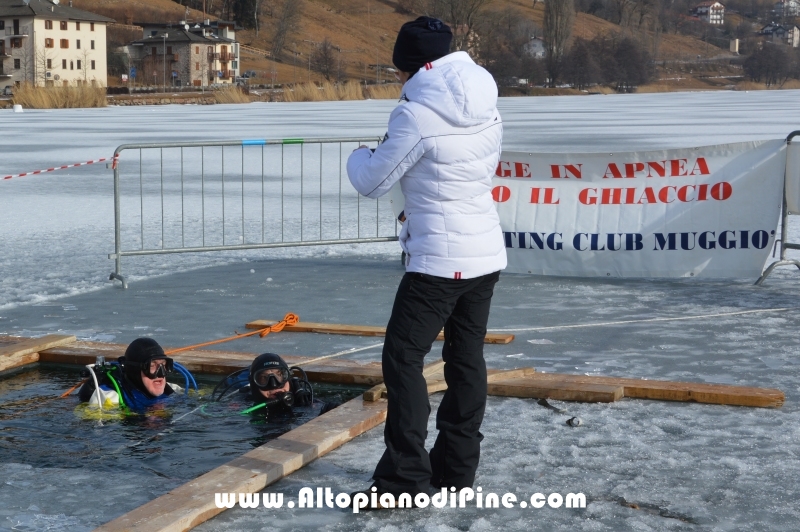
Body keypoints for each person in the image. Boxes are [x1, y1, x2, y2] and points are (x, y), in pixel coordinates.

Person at [346, 16, 506, 500]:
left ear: (410, 66)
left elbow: (373, 180)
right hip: (485, 252)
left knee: (402, 358)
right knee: (465, 359)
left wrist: (358, 153)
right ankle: (456, 470)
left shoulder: (415, 114)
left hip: (440, 260)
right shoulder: (486, 98)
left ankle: (404, 478)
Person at [211, 352, 339, 418]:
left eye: (279, 376)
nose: (274, 385)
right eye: (264, 379)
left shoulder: (303, 400)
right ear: (254, 384)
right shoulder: (243, 405)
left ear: (288, 377)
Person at [78, 337, 190, 411]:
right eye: (152, 366)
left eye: (163, 365)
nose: (160, 374)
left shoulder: (172, 389)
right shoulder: (109, 399)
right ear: (135, 370)